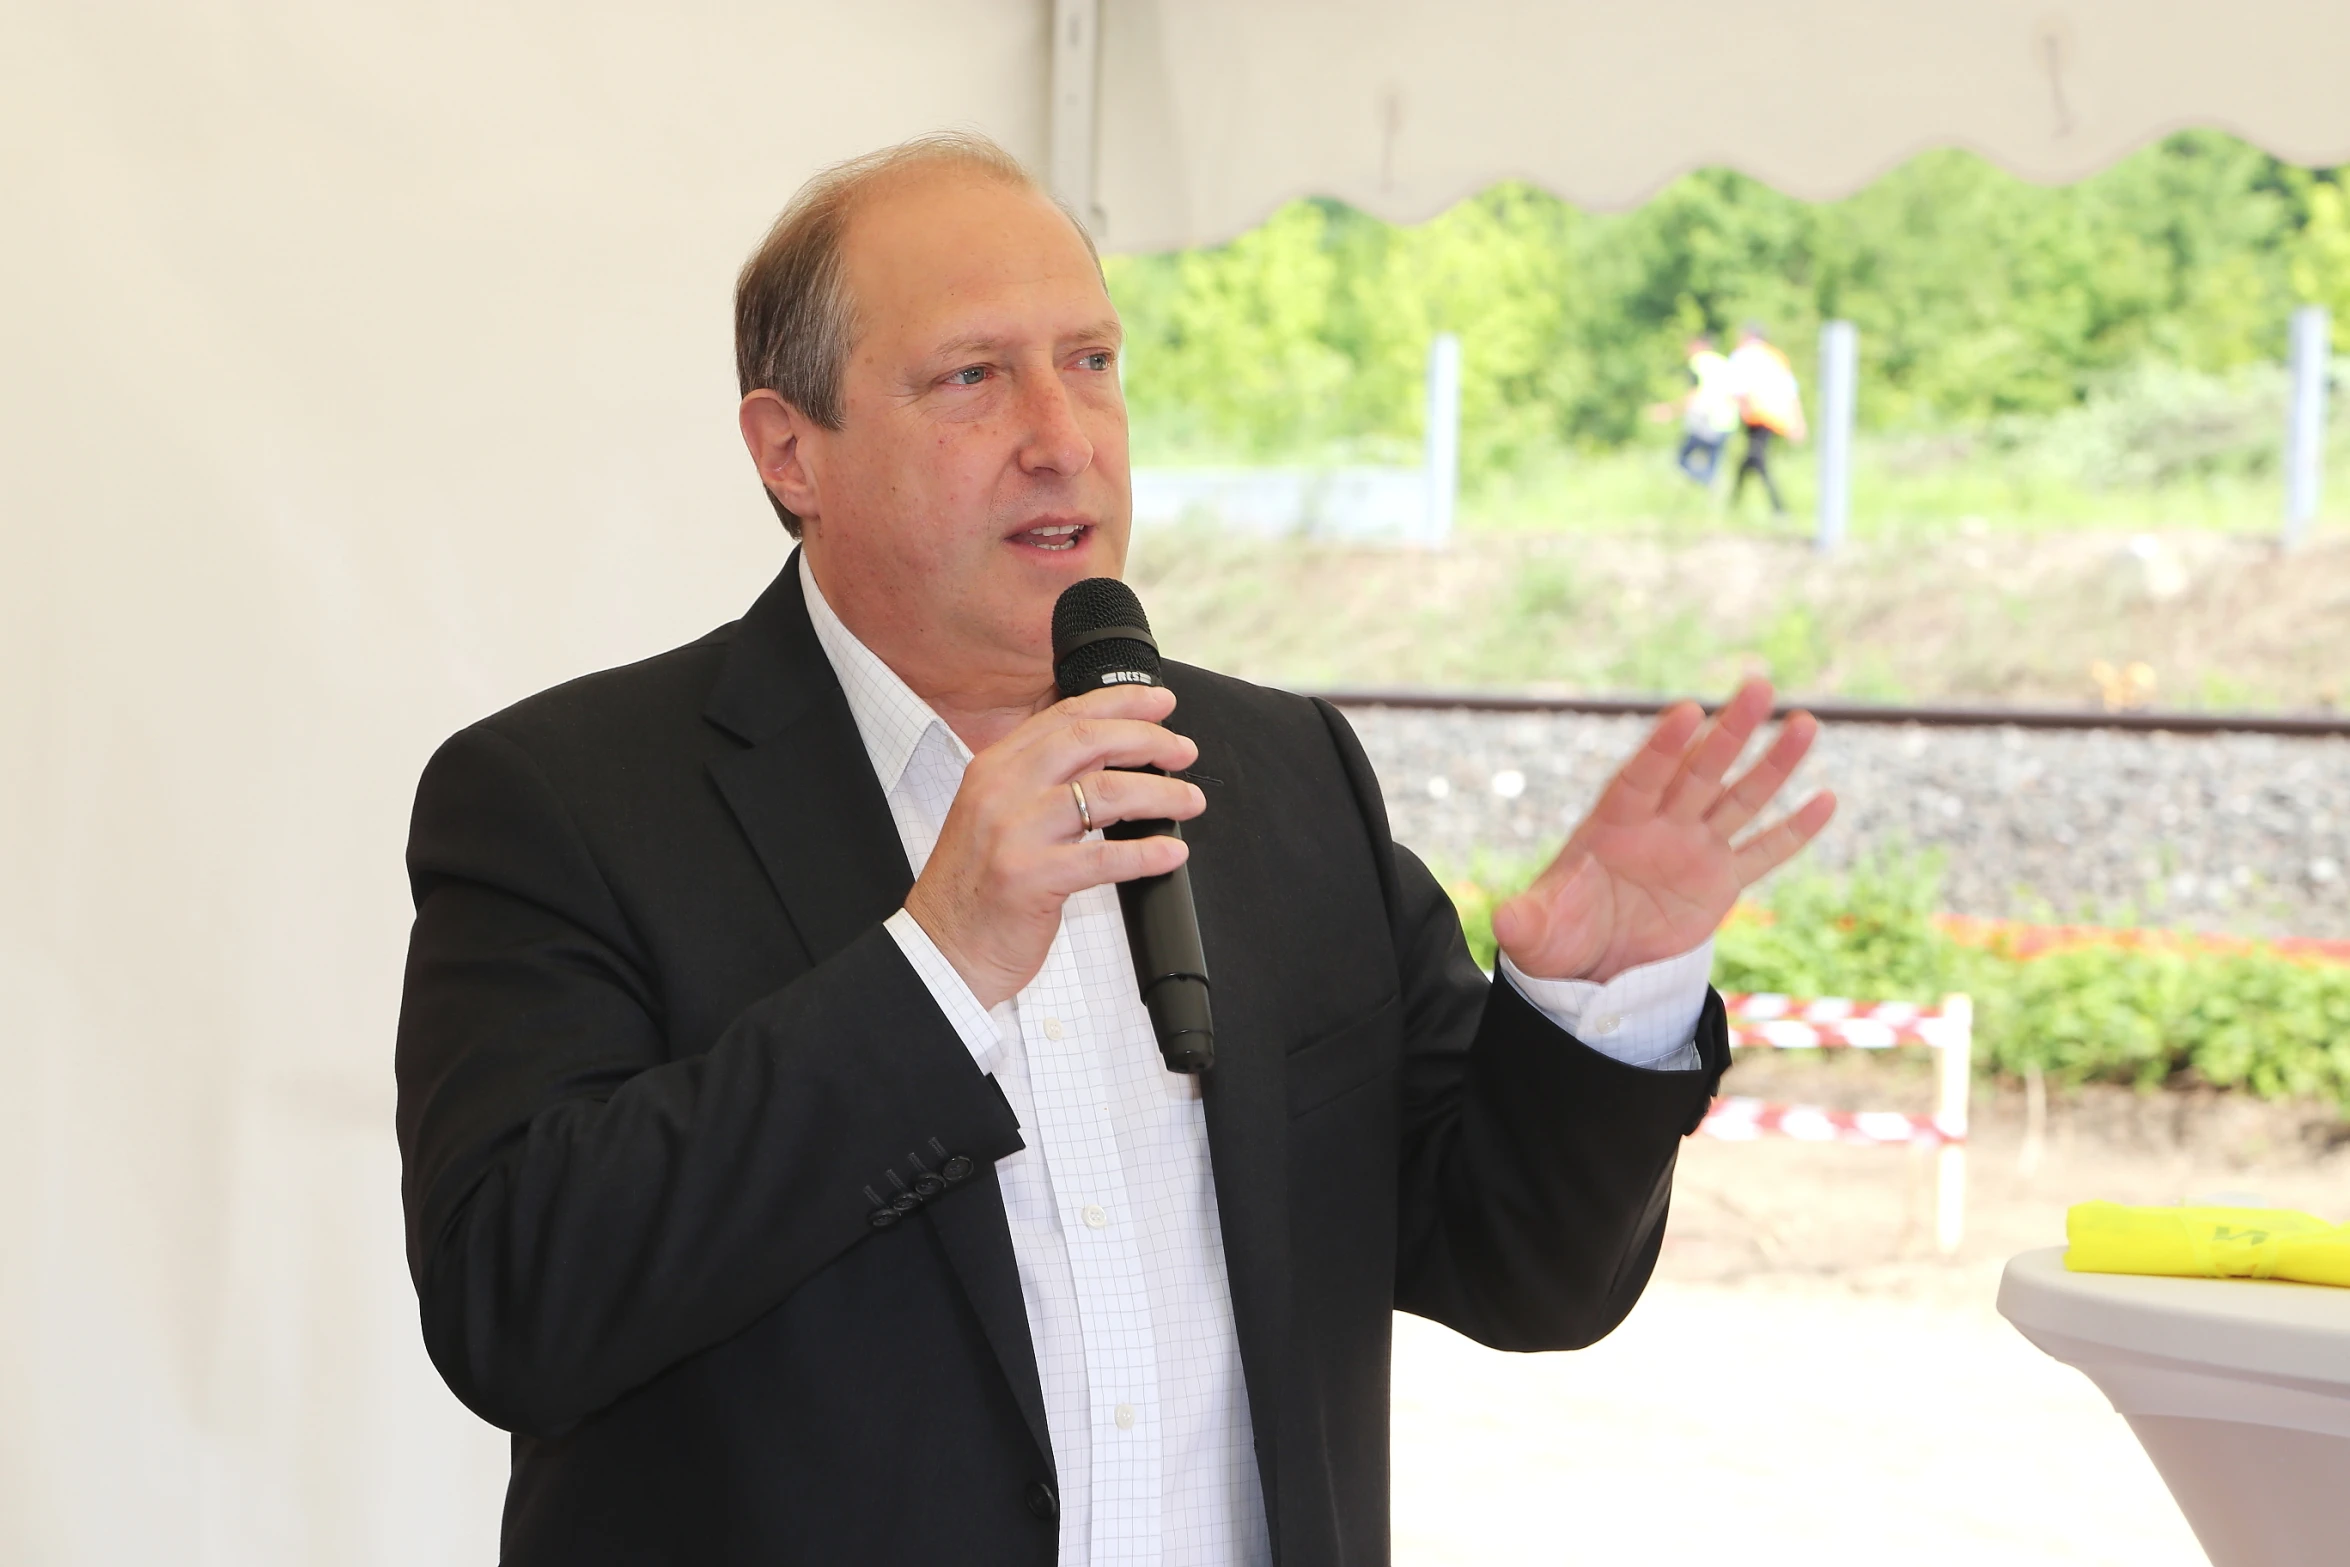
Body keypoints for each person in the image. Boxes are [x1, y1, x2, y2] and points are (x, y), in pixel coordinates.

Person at [394, 133, 1836, 1566]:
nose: (1060, 434)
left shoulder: (1278, 775)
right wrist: (937, 963)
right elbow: (513, 1306)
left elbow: (1526, 1267)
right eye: (973, 376)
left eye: (1090, 361)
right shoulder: (563, 799)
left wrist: (1597, 1006)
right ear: (791, 450)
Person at [1728, 322, 1807, 517]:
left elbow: (1737, 388)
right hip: (1777, 417)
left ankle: (1778, 508)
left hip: (1757, 414)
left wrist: (1736, 409)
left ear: (1747, 335)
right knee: (1750, 458)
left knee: (1757, 459)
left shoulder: (1742, 354)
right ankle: (1733, 504)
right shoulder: (1777, 356)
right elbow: (1791, 392)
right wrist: (1798, 422)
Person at [1648, 332, 1738, 485]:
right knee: (1713, 463)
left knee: (1681, 459)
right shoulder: (1723, 362)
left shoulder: (1698, 362)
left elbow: (1694, 395)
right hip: (1728, 421)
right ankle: (1712, 488)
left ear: (1698, 345)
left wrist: (1669, 411)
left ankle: (1708, 482)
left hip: (1707, 420)